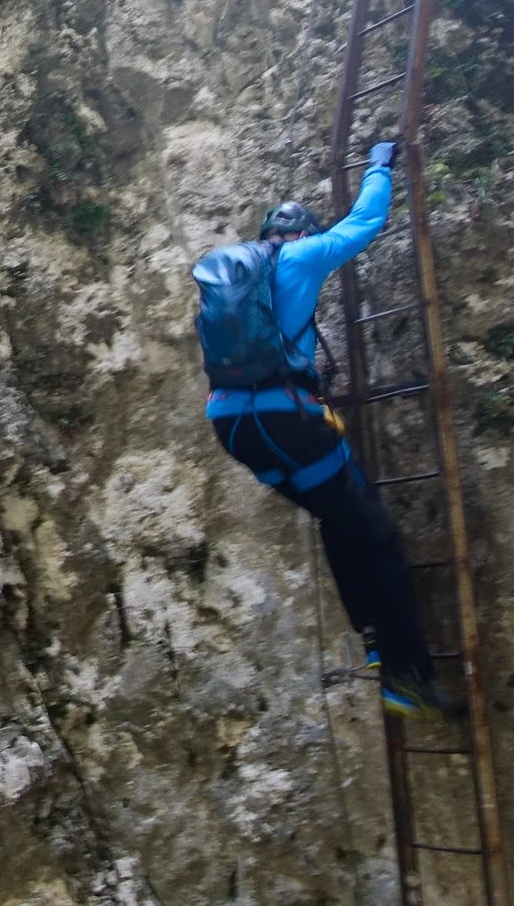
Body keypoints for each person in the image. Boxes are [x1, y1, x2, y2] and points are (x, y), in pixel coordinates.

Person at [192, 140, 460, 722]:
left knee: (340, 516)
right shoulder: (302, 257)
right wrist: (379, 166)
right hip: (286, 421)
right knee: (379, 537)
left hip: (233, 426)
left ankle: (372, 641)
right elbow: (365, 223)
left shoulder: (233, 275)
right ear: (302, 233)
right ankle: (406, 676)